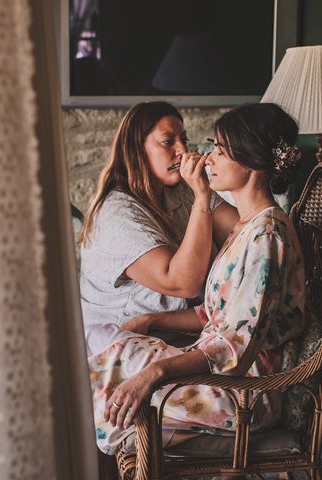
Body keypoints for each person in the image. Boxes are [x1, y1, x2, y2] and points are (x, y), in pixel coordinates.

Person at [88, 102, 308, 455]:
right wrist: (153, 320)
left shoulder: (266, 237)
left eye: (219, 150)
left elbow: (234, 345)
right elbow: (217, 313)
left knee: (107, 382)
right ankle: (210, 445)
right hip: (221, 370)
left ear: (251, 163)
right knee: (100, 359)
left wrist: (157, 372)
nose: (205, 157)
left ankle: (243, 445)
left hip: (244, 392)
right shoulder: (247, 228)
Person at [78, 101, 239, 356]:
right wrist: (201, 196)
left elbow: (241, 229)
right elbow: (183, 283)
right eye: (168, 142)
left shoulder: (178, 190)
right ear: (137, 150)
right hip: (119, 344)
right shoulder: (117, 215)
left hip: (172, 335)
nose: (182, 150)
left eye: (184, 140)